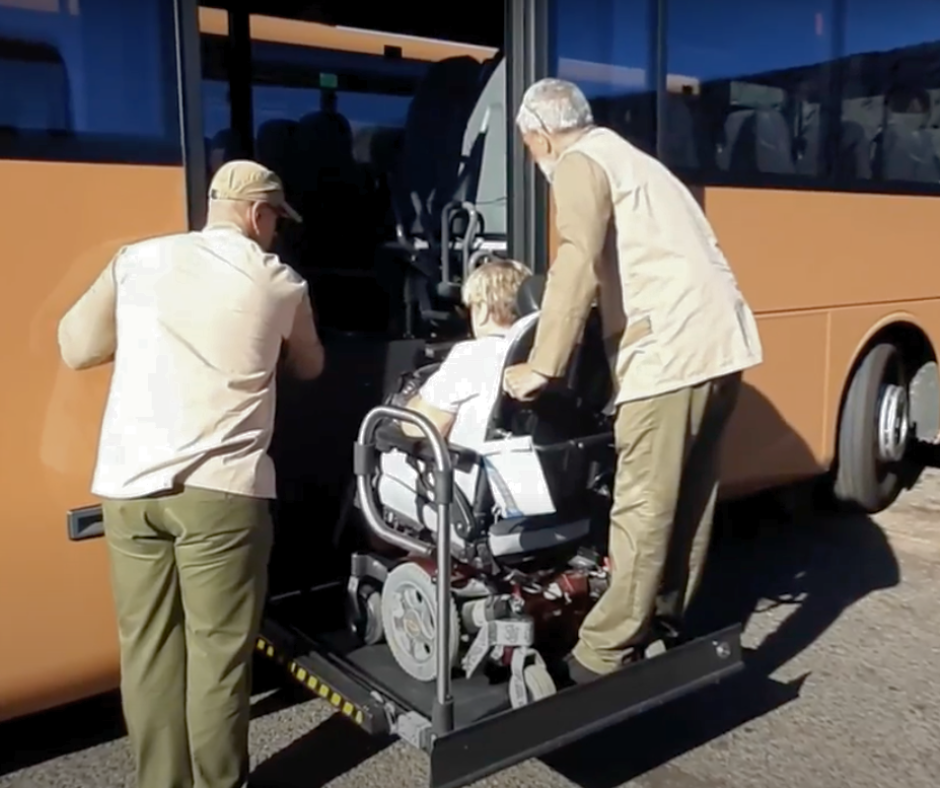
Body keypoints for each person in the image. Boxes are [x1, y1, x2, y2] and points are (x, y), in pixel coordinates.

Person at [57, 160, 325, 788]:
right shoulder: (280, 282)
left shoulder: (137, 260)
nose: (276, 234)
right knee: (217, 658)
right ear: (260, 215)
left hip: (129, 490)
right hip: (222, 495)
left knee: (147, 654)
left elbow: (75, 347)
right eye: (276, 222)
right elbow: (310, 366)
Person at [503, 78, 763, 684]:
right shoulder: (636, 161)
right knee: (688, 500)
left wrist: (542, 365)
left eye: (528, 146)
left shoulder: (579, 162)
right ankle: (663, 620)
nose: (533, 157)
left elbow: (577, 260)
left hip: (668, 355)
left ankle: (602, 654)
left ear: (537, 134)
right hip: (721, 347)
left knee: (643, 505)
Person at [401, 257, 532, 441]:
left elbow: (422, 427)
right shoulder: (543, 357)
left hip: (477, 464)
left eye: (471, 308)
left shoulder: (472, 356)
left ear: (484, 310)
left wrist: (411, 402)